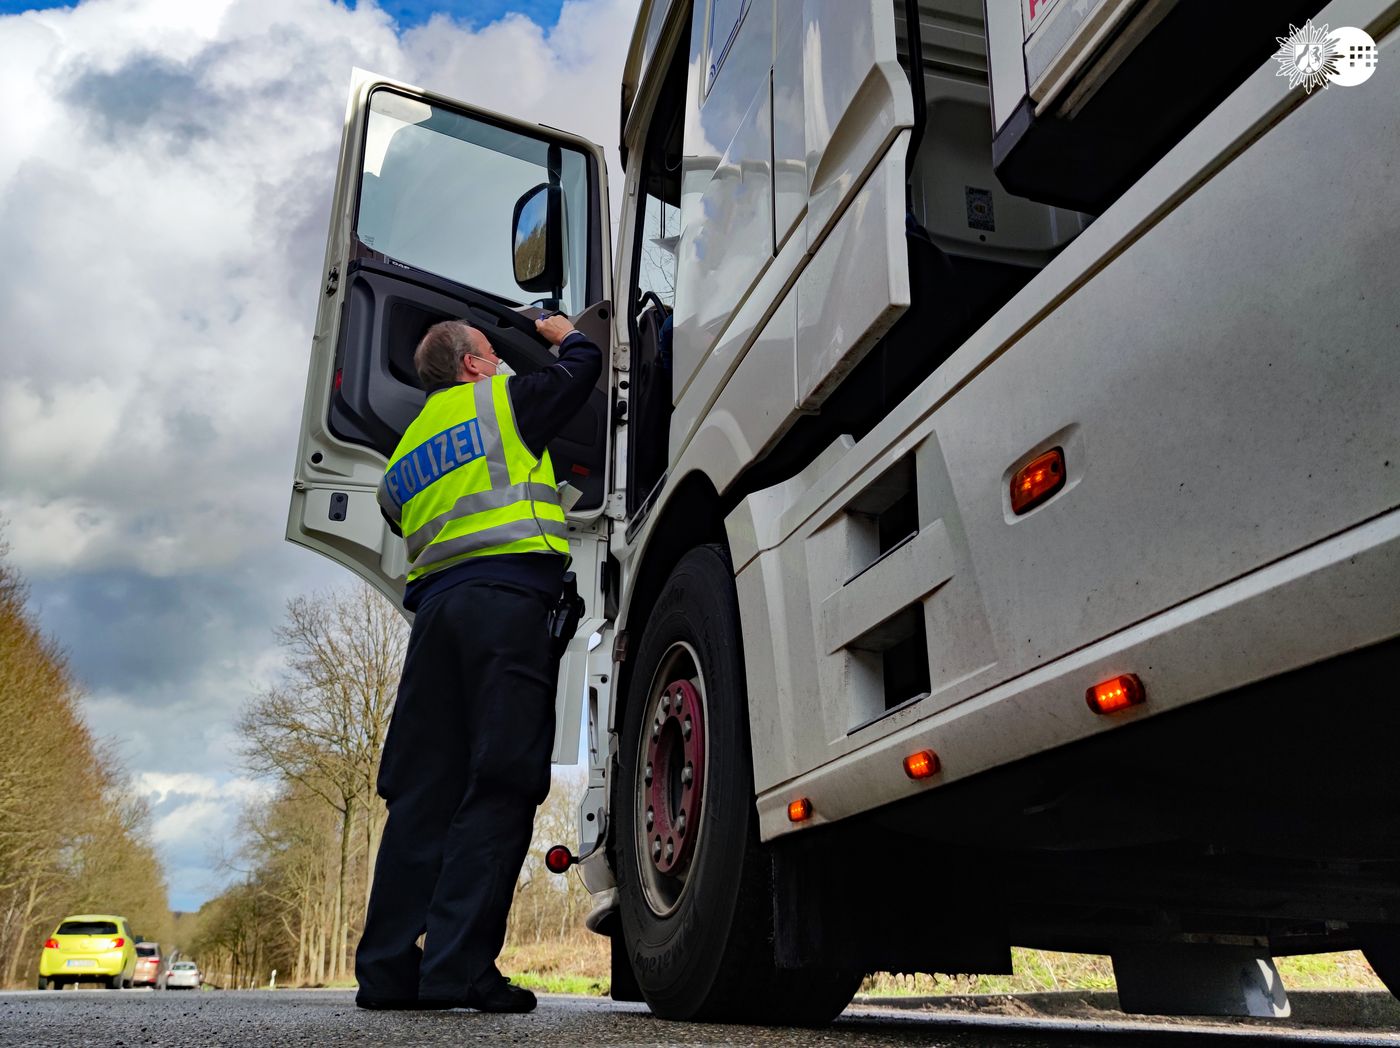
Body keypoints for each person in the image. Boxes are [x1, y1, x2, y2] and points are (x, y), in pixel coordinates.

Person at [354, 313, 600, 1013]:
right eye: (493, 355)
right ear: (469, 364)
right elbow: (579, 372)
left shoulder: (400, 463)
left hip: (434, 619)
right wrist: (561, 332)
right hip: (506, 607)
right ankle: (458, 970)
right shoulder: (501, 405)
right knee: (499, 780)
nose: (499, 364)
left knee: (422, 792)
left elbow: (404, 518)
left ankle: (386, 973)